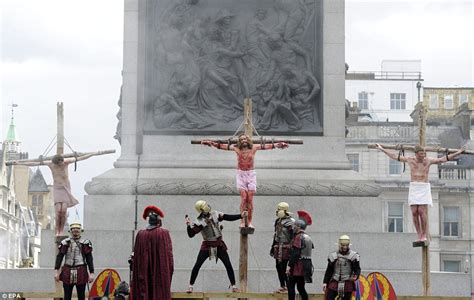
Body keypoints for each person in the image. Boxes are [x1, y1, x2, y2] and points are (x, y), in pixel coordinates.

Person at [376, 144, 465, 241]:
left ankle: (424, 233)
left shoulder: (427, 161)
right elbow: (394, 156)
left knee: (421, 211)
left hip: (423, 187)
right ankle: (419, 234)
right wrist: (382, 149)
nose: (423, 155)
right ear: (416, 154)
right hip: (414, 187)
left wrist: (457, 153)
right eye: (421, 154)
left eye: (424, 153)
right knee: (414, 212)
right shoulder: (410, 160)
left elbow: (443, 159)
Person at [201, 134, 288, 227]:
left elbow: (267, 146)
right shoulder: (236, 148)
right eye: (241, 139)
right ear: (239, 141)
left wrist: (278, 144)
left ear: (248, 140)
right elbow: (222, 146)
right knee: (244, 198)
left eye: (245, 138)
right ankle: (242, 221)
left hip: (250, 174)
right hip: (241, 174)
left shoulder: (254, 148)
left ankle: (249, 221)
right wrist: (211, 143)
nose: (244, 140)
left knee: (250, 199)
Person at [12, 153, 97, 236]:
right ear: (55, 163)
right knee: (58, 211)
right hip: (57, 188)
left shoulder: (66, 162)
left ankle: (61, 230)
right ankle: (57, 230)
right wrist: (19, 163)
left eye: (61, 163)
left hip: (65, 187)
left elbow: (80, 158)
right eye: (59, 164)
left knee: (63, 210)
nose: (61, 165)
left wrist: (92, 154)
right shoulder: (51, 164)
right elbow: (34, 163)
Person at [185, 200, 246, 293]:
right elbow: (191, 234)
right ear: (201, 209)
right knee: (197, 265)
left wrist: (240, 216)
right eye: (204, 205)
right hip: (207, 245)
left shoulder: (215, 214)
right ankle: (190, 286)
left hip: (219, 244)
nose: (207, 206)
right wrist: (188, 225)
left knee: (228, 265)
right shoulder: (199, 221)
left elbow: (227, 217)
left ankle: (234, 286)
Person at [130, 205, 174, 300]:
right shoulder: (163, 233)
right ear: (158, 221)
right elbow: (168, 258)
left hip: (143, 277)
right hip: (159, 277)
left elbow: (136, 258)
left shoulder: (140, 235)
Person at [54, 221, 94, 300]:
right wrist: (56, 271)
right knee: (67, 297)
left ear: (80, 230)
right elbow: (60, 257)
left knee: (81, 296)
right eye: (74, 228)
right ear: (70, 230)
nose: (75, 230)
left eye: (77, 228)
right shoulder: (65, 243)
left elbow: (89, 259)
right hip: (67, 271)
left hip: (81, 271)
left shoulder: (85, 243)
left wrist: (91, 273)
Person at [323, 235, 361, 300]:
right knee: (329, 298)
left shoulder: (353, 256)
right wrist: (325, 282)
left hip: (347, 281)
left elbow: (357, 269)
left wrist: (356, 275)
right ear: (339, 245)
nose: (345, 247)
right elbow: (329, 270)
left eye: (346, 245)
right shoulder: (333, 255)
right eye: (343, 245)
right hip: (335, 281)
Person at [287, 210, 313, 300]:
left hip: (298, 266)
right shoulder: (308, 237)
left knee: (290, 286)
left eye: (295, 226)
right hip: (306, 265)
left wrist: (290, 266)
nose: (294, 227)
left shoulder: (298, 237)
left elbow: (296, 253)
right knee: (301, 288)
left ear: (298, 226)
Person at [270, 202, 295, 293]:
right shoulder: (278, 221)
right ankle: (282, 285)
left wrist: (293, 248)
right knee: (278, 266)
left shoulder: (291, 222)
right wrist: (273, 246)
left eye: (279, 209)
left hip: (286, 247)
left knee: (284, 267)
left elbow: (293, 236)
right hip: (278, 246)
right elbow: (276, 234)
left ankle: (288, 286)